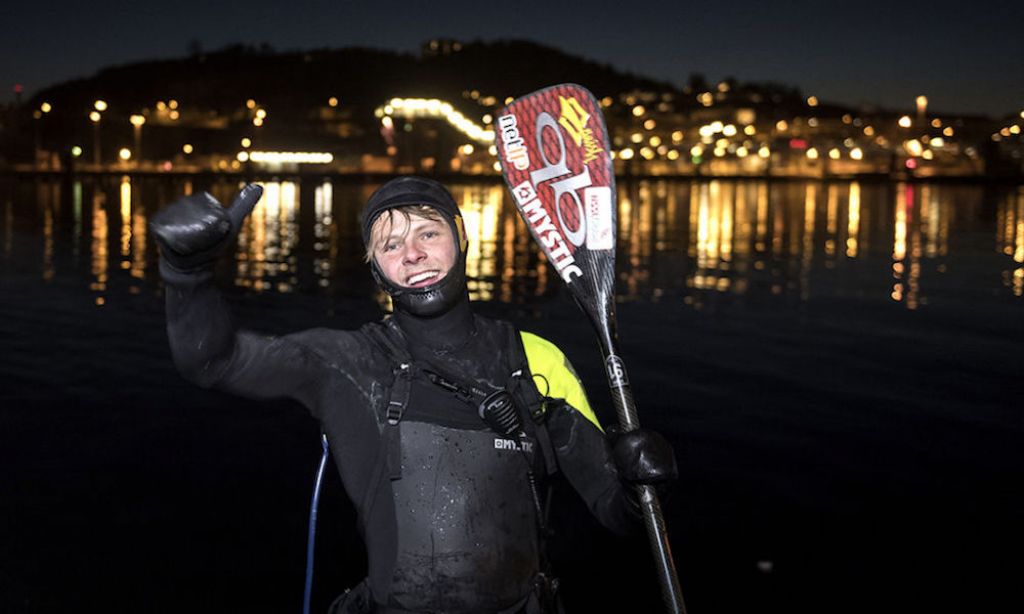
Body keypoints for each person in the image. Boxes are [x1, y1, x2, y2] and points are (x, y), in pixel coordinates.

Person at [150, 177, 677, 614]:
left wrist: (638, 485)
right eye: (391, 245)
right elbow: (211, 362)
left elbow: (615, 511)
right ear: (375, 267)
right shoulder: (349, 364)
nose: (414, 254)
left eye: (429, 232)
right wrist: (187, 275)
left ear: (461, 237)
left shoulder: (536, 360)